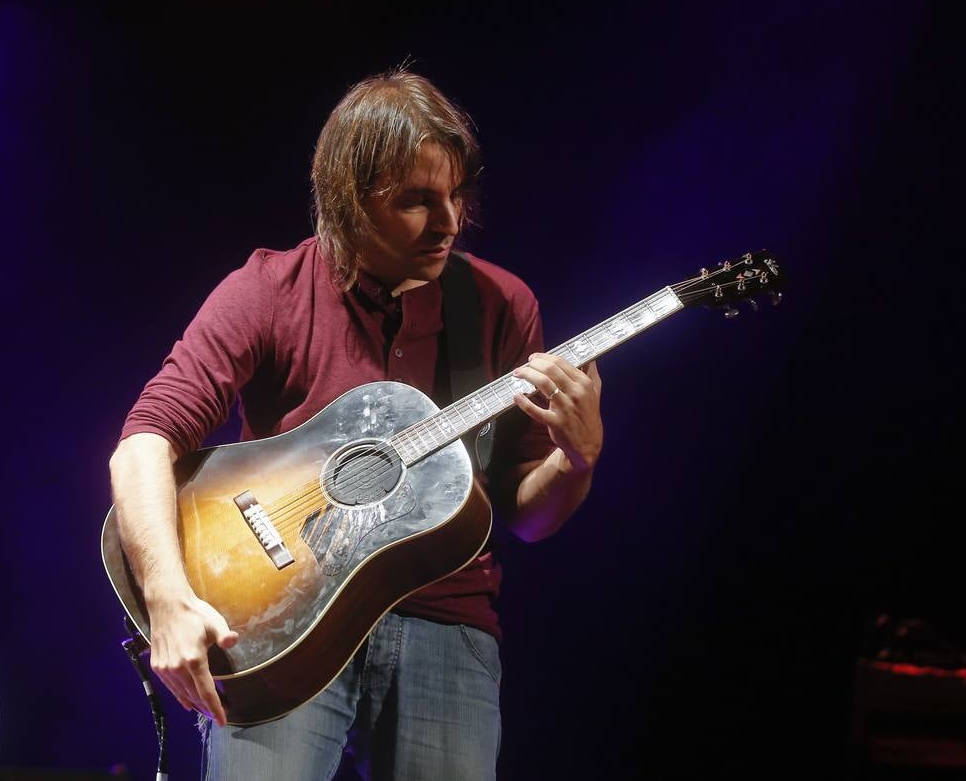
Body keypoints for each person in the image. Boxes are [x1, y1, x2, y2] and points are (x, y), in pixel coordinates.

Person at [108, 69, 604, 780]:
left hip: (447, 622)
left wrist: (574, 461)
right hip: (280, 624)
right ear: (349, 199)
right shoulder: (268, 289)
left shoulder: (500, 304)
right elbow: (143, 444)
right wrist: (167, 599)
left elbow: (528, 517)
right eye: (416, 201)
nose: (449, 222)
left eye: (457, 195)